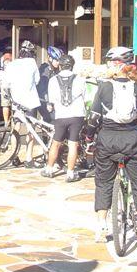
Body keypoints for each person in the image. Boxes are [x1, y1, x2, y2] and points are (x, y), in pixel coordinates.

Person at [91, 46, 137, 248]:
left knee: (103, 182)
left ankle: (102, 226)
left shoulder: (103, 87)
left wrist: (88, 137)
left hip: (107, 140)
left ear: (114, 65)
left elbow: (93, 118)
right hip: (132, 140)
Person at [41, 54, 86, 182]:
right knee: (73, 144)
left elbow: (52, 100)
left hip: (61, 115)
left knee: (56, 143)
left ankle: (49, 169)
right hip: (77, 115)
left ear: (60, 66)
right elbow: (85, 96)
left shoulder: (53, 80)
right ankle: (70, 173)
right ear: (72, 66)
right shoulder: (80, 79)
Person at [5, 40, 42, 168]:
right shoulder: (32, 63)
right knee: (30, 128)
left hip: (17, 100)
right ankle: (28, 158)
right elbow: (37, 80)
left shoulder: (11, 64)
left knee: (16, 127)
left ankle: (14, 155)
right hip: (30, 100)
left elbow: (7, 83)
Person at [36, 46, 63, 121]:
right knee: (51, 119)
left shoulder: (56, 70)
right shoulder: (45, 69)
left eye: (59, 61)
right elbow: (43, 88)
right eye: (56, 60)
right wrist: (48, 103)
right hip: (44, 100)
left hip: (54, 100)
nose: (58, 63)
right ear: (50, 58)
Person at [0, 49, 13, 125]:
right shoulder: (8, 56)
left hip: (3, 82)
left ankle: (6, 122)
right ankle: (10, 122)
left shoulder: (0, 57)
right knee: (11, 104)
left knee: (5, 104)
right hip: (9, 83)